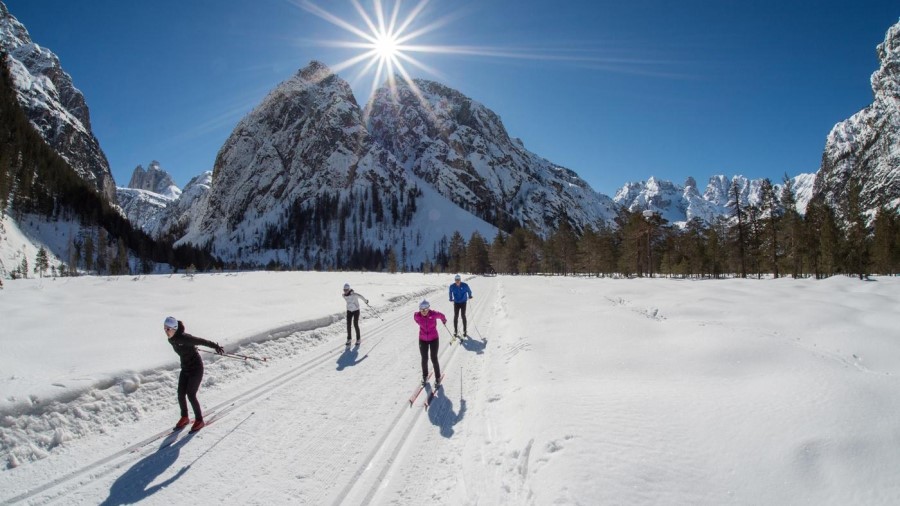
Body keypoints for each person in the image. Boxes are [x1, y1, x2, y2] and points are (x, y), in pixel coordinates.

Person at [164, 316, 224, 432]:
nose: (166, 331)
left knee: (190, 394)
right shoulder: (171, 339)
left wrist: (215, 346)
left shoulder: (185, 338)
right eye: (165, 328)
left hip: (196, 368)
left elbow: (201, 341)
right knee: (180, 393)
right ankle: (185, 417)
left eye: (168, 329)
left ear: (175, 328)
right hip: (185, 368)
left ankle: (199, 420)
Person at [414, 300, 446, 387]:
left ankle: (438, 377)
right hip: (422, 339)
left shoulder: (434, 314)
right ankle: (424, 376)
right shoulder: (417, 315)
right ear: (420, 309)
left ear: (428, 308)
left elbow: (442, 316)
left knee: (434, 358)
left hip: (434, 339)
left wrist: (444, 320)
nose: (424, 311)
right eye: (422, 309)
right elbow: (416, 320)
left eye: (425, 309)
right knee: (424, 358)